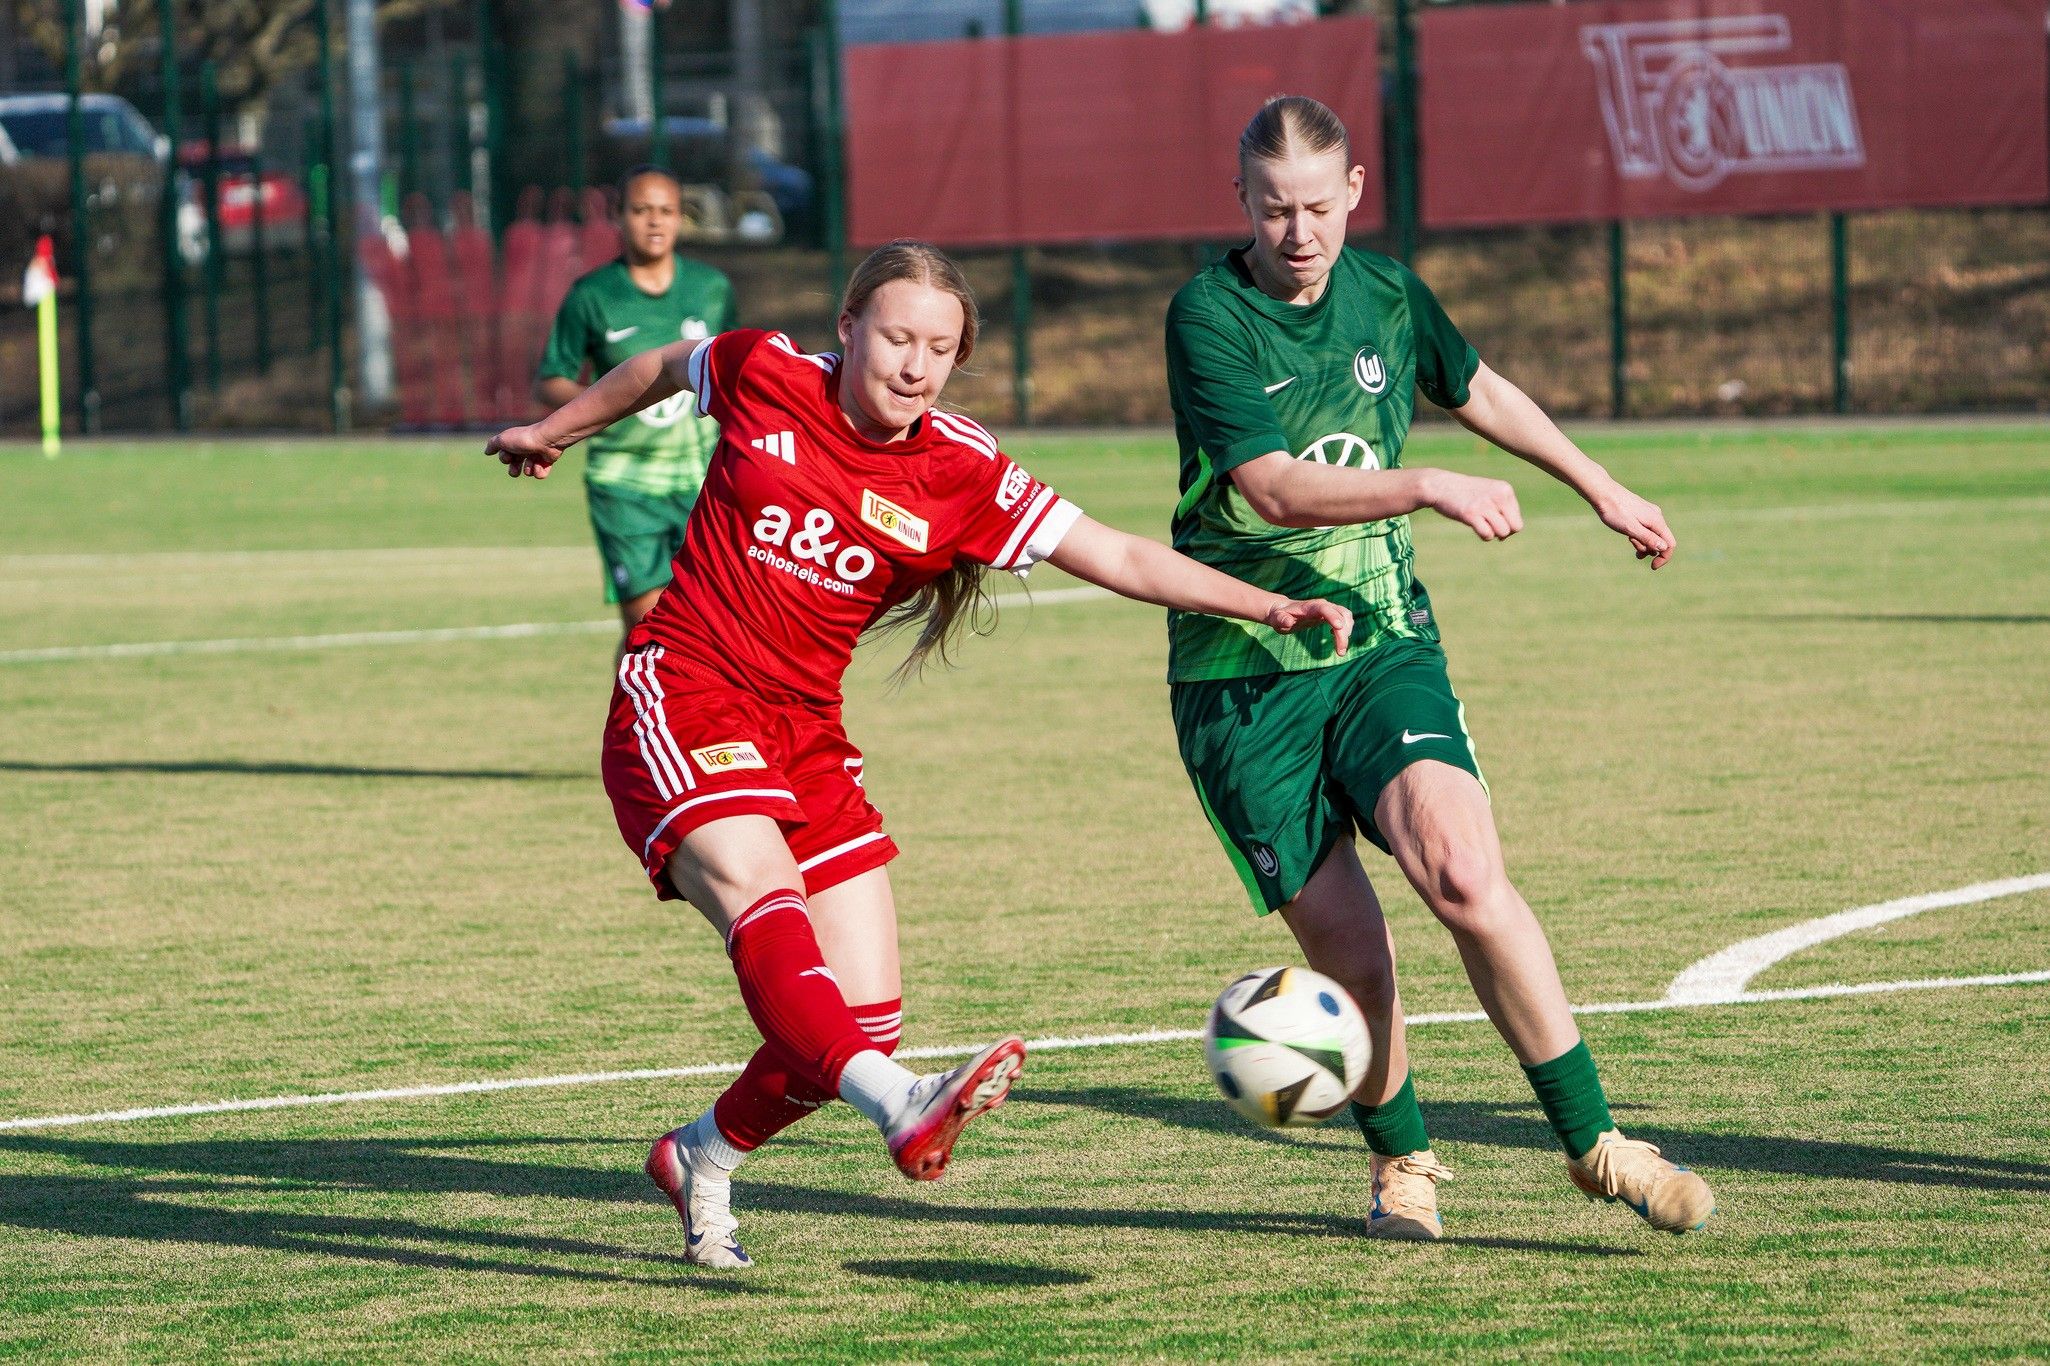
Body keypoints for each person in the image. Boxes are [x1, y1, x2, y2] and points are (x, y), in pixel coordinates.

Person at [488, 239, 1353, 1268]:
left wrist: (1268, 603)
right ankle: (900, 1104)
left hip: (806, 735)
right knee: (773, 908)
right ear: (847, 325)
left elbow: (1115, 552)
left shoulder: (962, 466)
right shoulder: (765, 371)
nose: (914, 365)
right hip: (684, 690)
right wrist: (554, 428)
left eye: (939, 349)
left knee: (861, 1016)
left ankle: (701, 1154)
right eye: (897, 336)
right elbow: (653, 370)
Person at [1163, 96, 1714, 1239]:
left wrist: (1600, 486)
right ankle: (1401, 1160)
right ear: (1241, 204)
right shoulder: (1206, 314)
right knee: (1351, 950)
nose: (1298, 233)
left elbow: (1477, 388)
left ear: (1355, 191)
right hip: (1242, 674)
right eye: (1273, 211)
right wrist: (1427, 484)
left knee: (1461, 871)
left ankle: (1599, 1144)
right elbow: (1270, 488)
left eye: (1317, 206)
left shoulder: (1388, 293)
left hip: (1378, 639)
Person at [535, 167, 737, 653]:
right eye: (640, 210)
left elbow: (730, 373)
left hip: (702, 482)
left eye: (666, 211)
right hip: (624, 485)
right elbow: (551, 380)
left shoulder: (713, 289)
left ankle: (685, 726)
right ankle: (631, 728)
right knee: (648, 630)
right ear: (620, 218)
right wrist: (609, 403)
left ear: (679, 219)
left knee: (711, 628)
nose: (654, 222)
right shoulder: (592, 295)